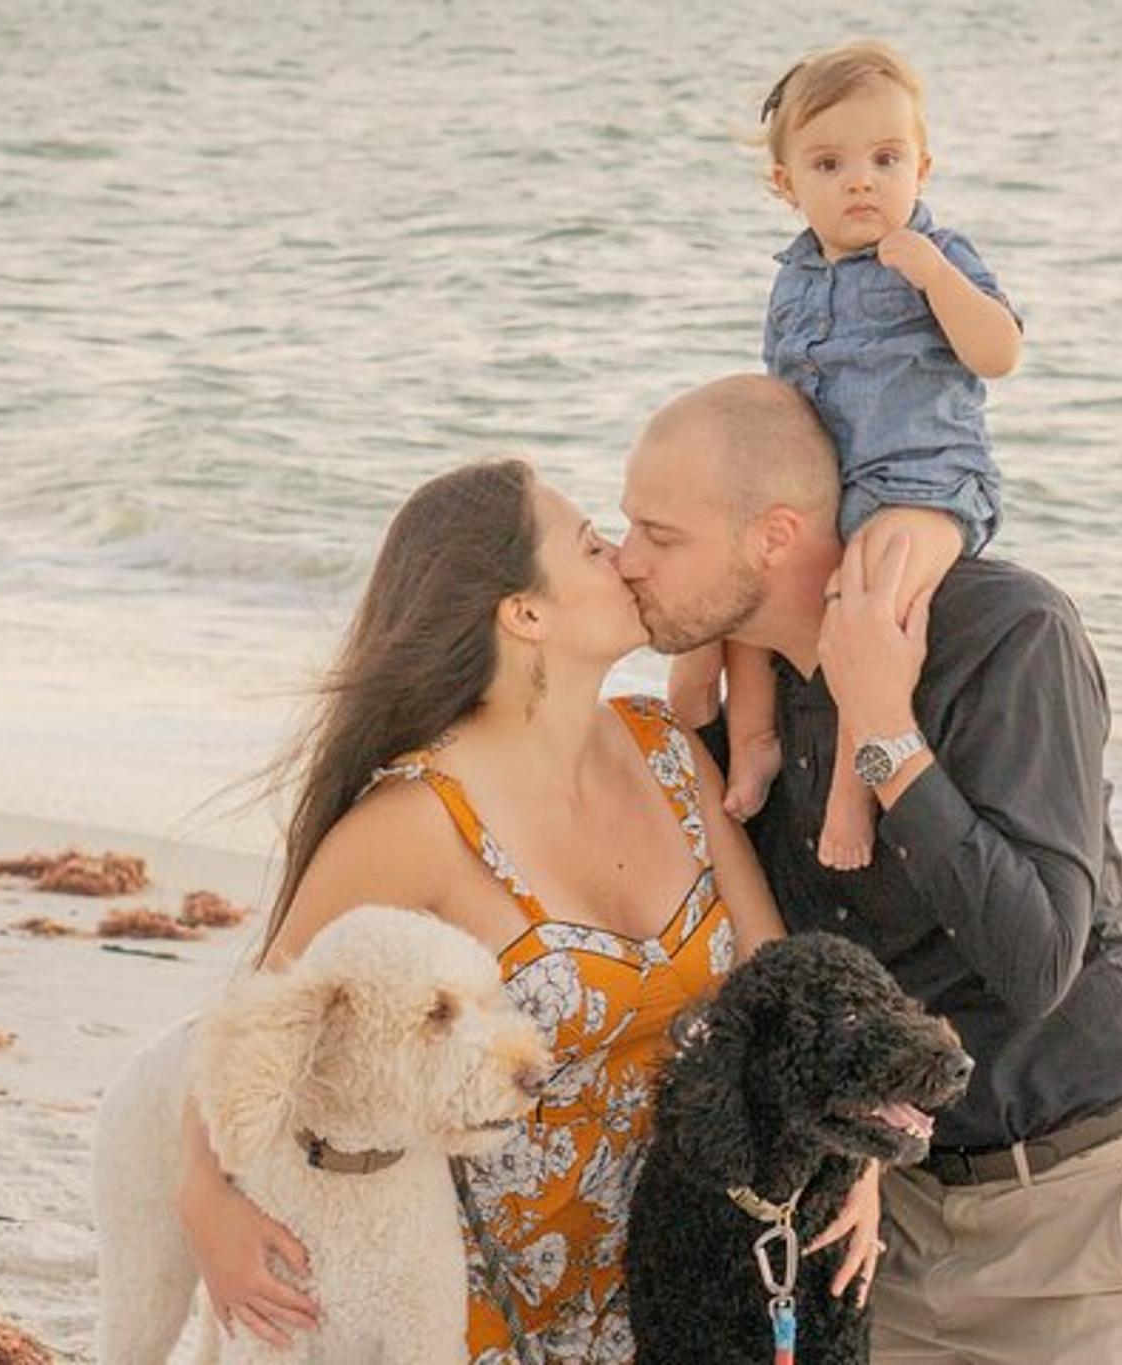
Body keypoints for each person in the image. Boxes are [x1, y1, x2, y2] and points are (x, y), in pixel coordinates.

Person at [173, 458, 882, 1365]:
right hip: (480, 1311)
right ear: (526, 613)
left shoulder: (668, 751)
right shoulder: (417, 819)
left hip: (677, 1289)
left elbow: (786, 990)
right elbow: (259, 1022)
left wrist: (854, 1159)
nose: (628, 558)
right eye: (593, 545)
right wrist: (204, 1198)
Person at [619, 376, 1122, 1364]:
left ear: (772, 536)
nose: (627, 560)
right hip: (884, 1209)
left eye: (659, 535)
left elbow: (1034, 965)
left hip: (1087, 1207)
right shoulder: (746, 707)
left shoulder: (1004, 635)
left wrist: (886, 738)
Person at [669, 39, 1024, 873]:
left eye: (885, 158)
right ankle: (752, 736)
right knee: (751, 574)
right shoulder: (793, 281)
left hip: (927, 487)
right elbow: (780, 399)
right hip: (828, 487)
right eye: (830, 164)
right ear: (787, 186)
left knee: (864, 599)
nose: (862, 180)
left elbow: (999, 351)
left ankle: (850, 791)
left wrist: (937, 278)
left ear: (923, 168)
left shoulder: (938, 255)